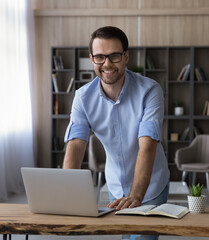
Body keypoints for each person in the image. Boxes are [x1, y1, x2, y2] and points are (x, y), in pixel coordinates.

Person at [63, 26, 170, 240]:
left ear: (126, 56)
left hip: (150, 186)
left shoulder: (150, 91)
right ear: (92, 58)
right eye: (100, 57)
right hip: (115, 184)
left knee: (140, 238)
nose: (107, 64)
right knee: (125, 236)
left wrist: (136, 195)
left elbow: (147, 144)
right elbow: (75, 144)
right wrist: (66, 195)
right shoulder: (83, 97)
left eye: (114, 56)